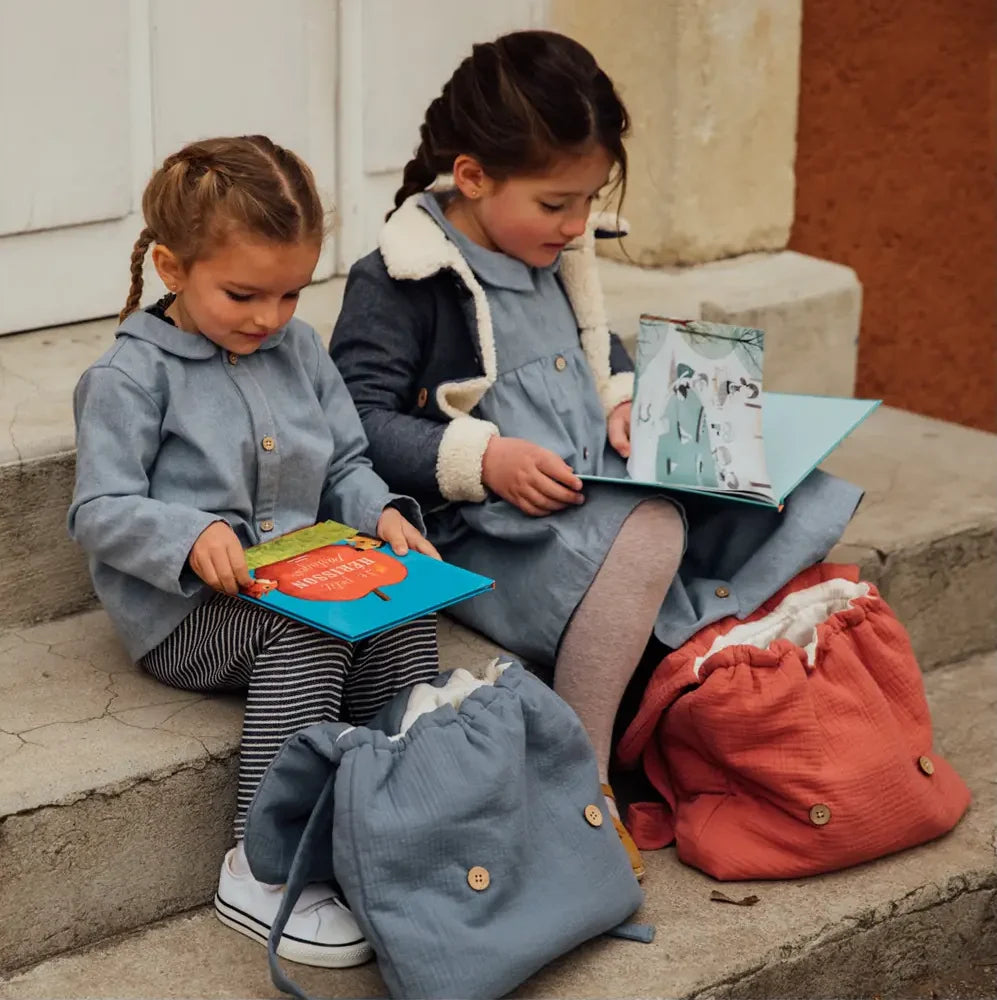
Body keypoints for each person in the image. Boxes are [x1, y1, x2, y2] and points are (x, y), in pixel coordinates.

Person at [331, 31, 863, 883]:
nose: (577, 225)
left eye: (587, 200)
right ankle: (578, 780)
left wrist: (625, 404)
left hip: (588, 486)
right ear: (471, 176)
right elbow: (353, 418)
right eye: (554, 203)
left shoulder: (552, 254)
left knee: (779, 498)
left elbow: (595, 350)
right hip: (490, 527)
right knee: (653, 530)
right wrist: (484, 455)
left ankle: (753, 731)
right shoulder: (403, 275)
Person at [69, 135, 440, 968]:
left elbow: (345, 461)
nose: (268, 318)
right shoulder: (130, 378)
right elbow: (98, 507)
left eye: (290, 295)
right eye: (242, 294)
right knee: (310, 634)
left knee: (406, 619)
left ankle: (397, 815)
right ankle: (263, 864)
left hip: (307, 579)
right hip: (194, 618)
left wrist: (378, 514)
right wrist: (187, 532)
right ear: (172, 267)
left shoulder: (299, 350)